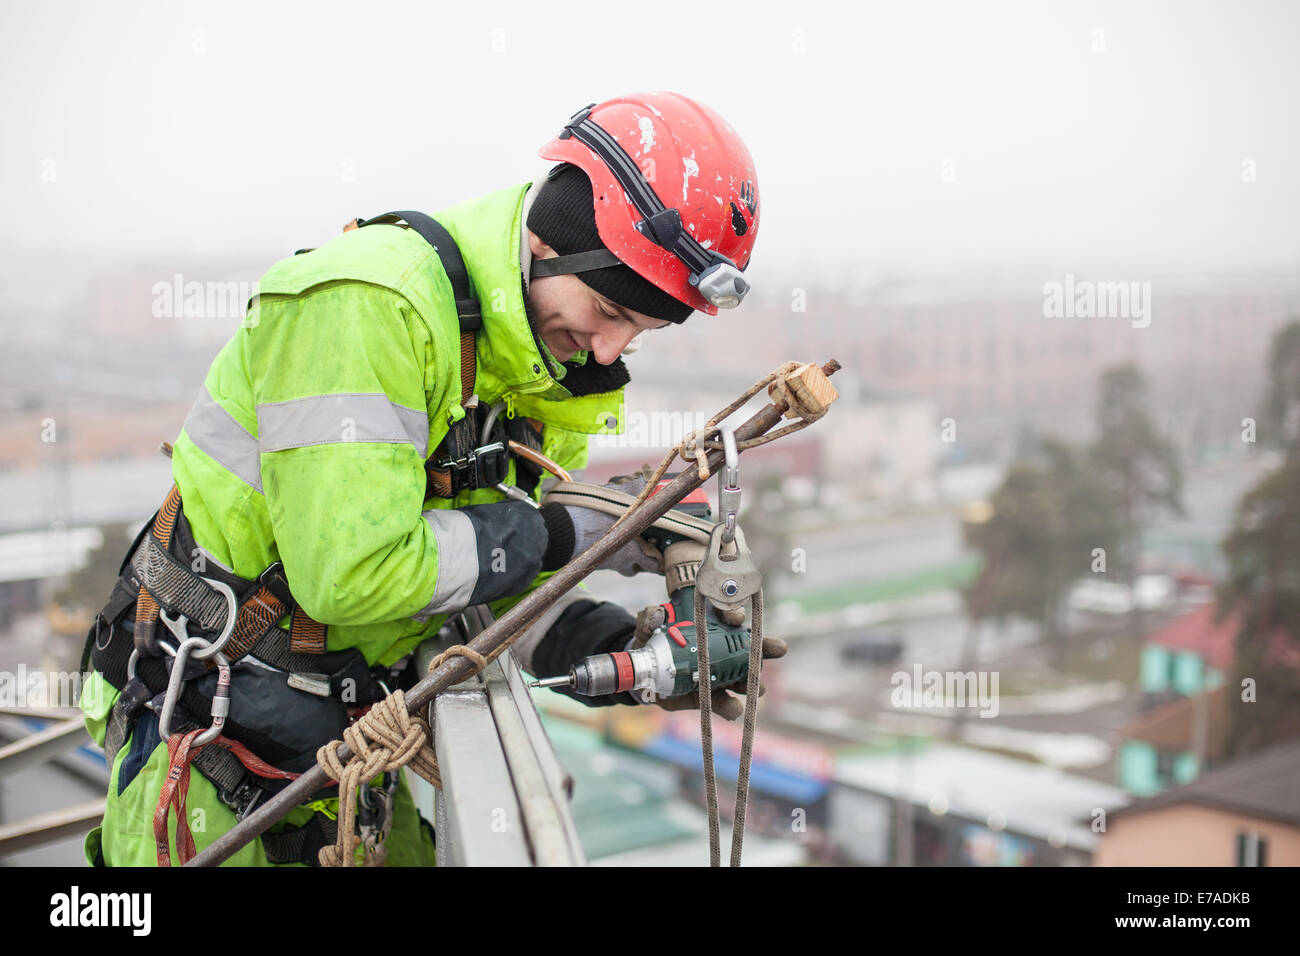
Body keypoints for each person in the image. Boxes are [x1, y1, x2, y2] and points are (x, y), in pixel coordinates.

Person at [79, 91, 763, 866]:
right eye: (609, 309)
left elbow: (466, 582)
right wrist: (568, 534)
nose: (608, 350)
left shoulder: (543, 372)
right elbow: (355, 574)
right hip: (210, 741)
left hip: (344, 742)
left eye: (638, 332)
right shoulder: (370, 308)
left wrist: (614, 649)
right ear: (551, 241)